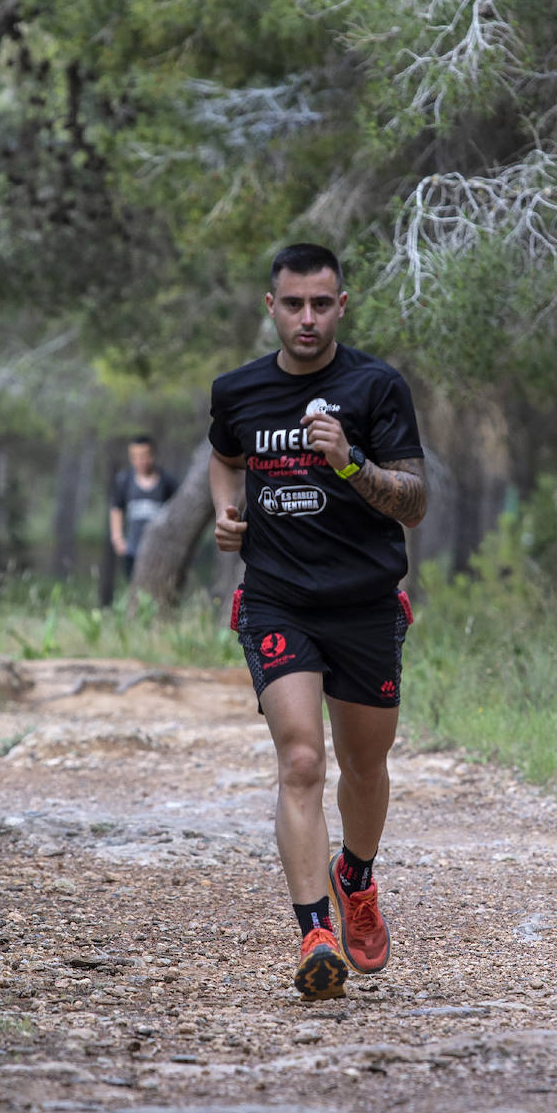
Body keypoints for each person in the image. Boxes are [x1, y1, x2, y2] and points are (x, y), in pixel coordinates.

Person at [209, 243, 427, 1001]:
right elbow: (222, 455)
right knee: (301, 761)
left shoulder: (375, 385)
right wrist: (224, 514)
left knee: (364, 766)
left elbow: (415, 500)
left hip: (365, 602)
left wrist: (348, 464)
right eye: (294, 303)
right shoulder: (238, 390)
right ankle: (315, 934)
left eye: (322, 303)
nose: (308, 317)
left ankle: (355, 878)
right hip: (277, 601)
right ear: (270, 306)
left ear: (342, 305)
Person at [109, 436, 177, 578]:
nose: (140, 461)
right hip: (132, 550)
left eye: (144, 456)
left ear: (152, 455)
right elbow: (116, 508)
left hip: (159, 550)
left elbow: (176, 512)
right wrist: (117, 538)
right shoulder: (125, 480)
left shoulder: (167, 481)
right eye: (135, 457)